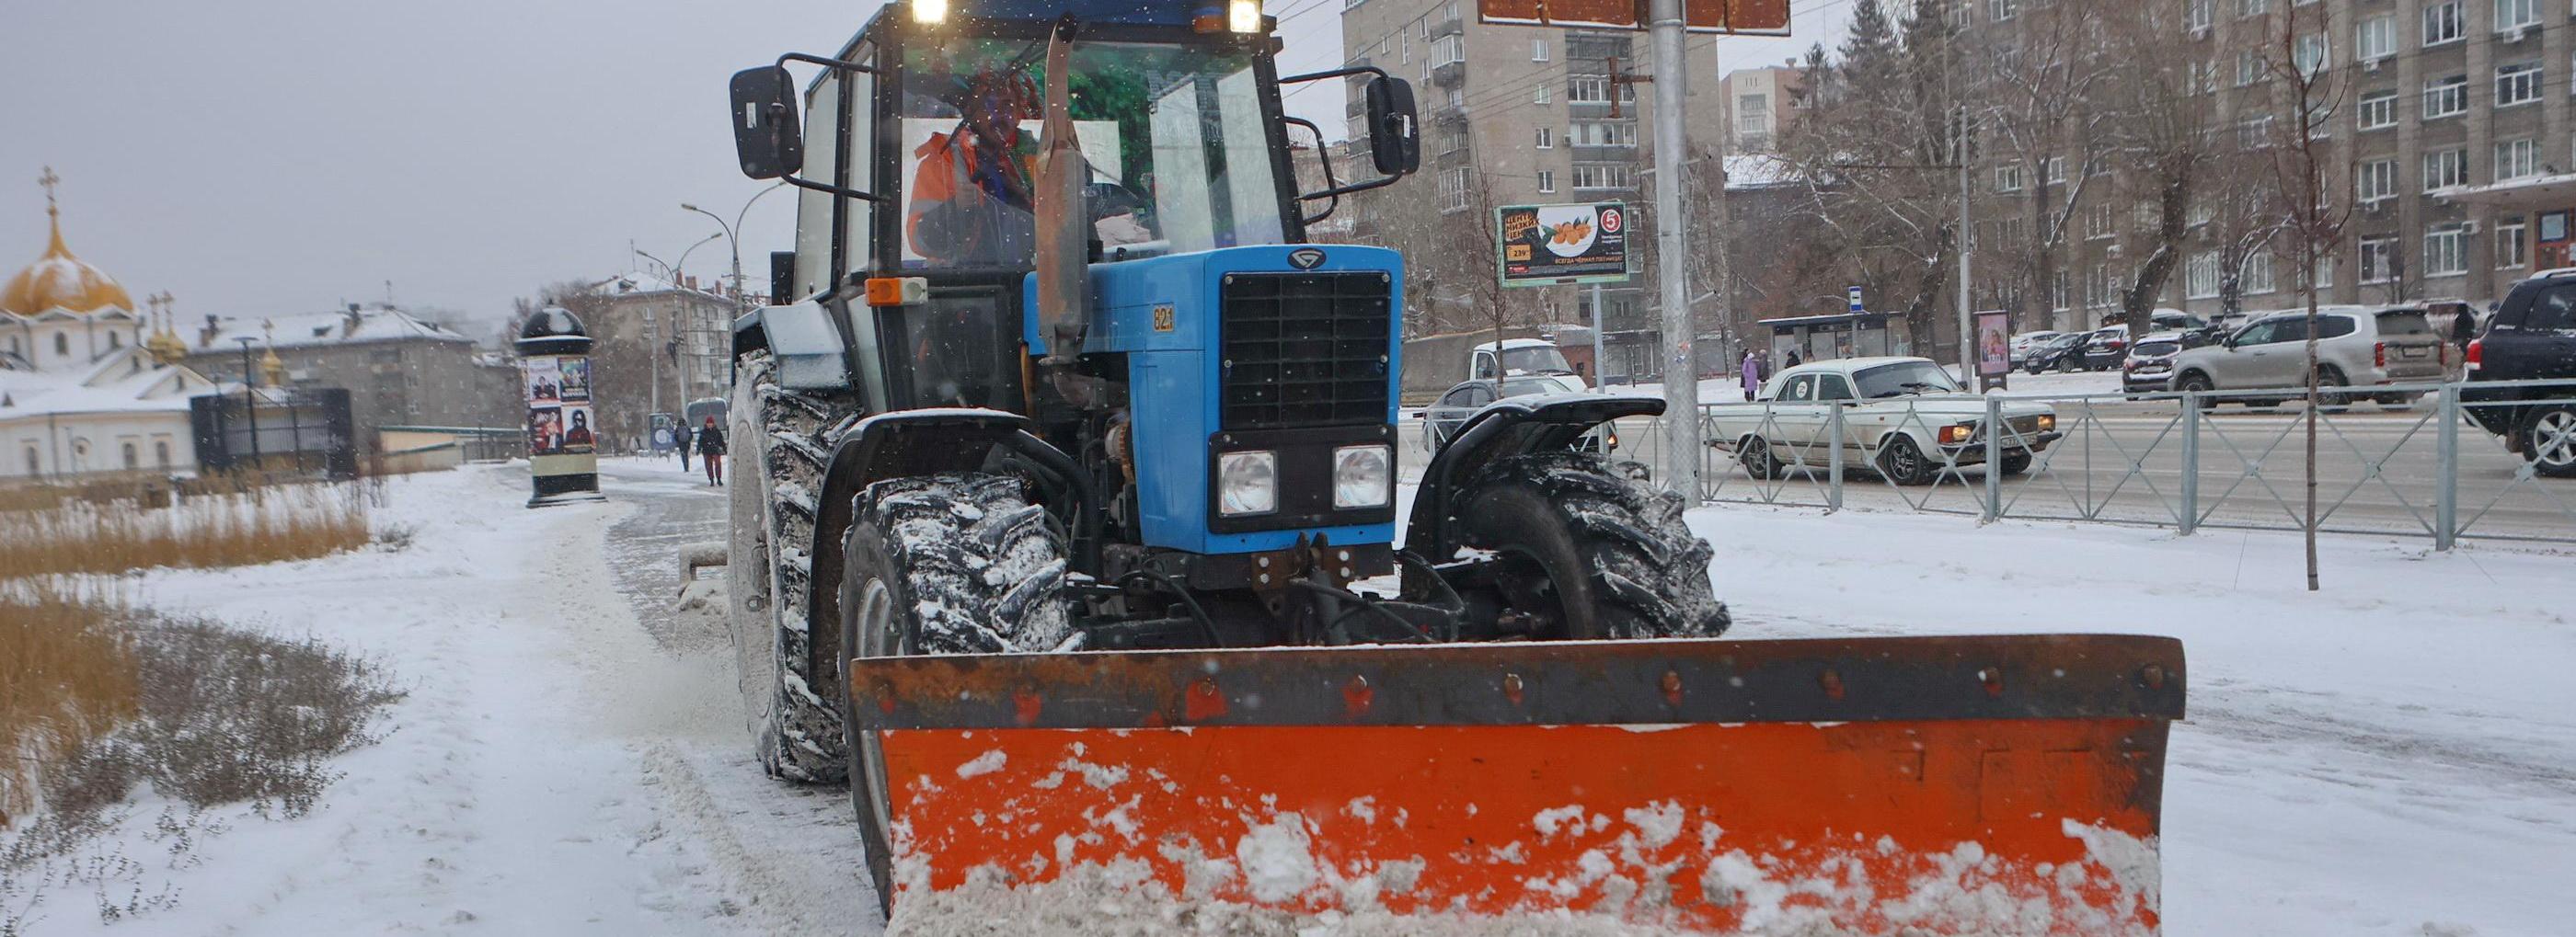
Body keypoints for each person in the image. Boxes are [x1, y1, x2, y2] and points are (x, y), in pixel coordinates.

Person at [697, 416, 727, 486]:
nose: (709, 424)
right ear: (706, 424)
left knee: (718, 464)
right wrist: (698, 449)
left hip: (715, 450)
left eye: (711, 423)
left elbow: (721, 441)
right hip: (706, 451)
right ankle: (711, 479)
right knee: (708, 466)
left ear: (713, 423)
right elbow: (700, 442)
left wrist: (724, 448)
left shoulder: (717, 431)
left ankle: (719, 479)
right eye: (708, 423)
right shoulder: (703, 432)